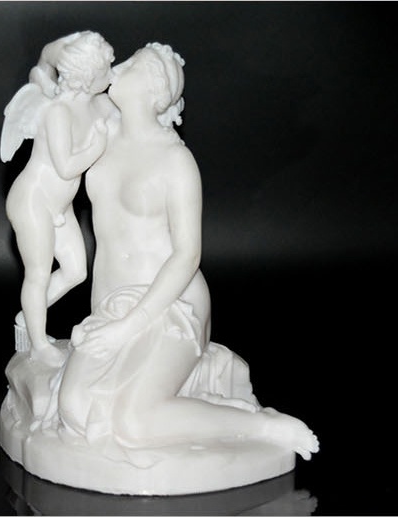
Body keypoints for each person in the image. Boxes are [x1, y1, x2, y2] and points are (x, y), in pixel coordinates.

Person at [57, 42, 319, 459]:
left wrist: (128, 327)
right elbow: (54, 82)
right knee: (73, 409)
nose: (118, 67)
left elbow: (187, 256)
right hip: (112, 302)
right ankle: (195, 405)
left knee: (133, 422)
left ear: (154, 89)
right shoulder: (101, 133)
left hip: (171, 304)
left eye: (132, 65)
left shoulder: (176, 161)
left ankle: (263, 426)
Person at [1, 31, 117, 366]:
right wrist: (96, 147)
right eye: (105, 71)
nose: (111, 75)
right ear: (87, 78)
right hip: (33, 201)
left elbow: (126, 119)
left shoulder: (99, 104)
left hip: (60, 207)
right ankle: (38, 343)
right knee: (38, 274)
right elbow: (66, 167)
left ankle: (28, 315)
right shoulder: (57, 111)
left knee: (77, 271)